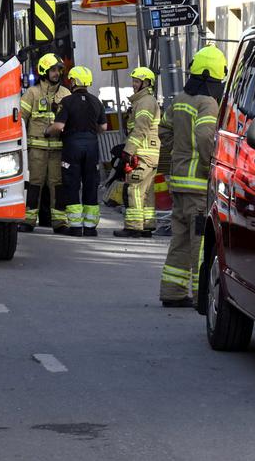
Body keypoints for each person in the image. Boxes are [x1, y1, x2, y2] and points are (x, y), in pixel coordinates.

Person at [159, 45, 226, 308]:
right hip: (199, 186)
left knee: (179, 239)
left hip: (179, 183)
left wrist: (179, 151)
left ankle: (172, 292)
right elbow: (206, 137)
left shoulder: (179, 100)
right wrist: (210, 165)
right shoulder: (207, 103)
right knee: (201, 243)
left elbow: (164, 131)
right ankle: (202, 297)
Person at [47, 66, 107, 237]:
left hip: (72, 147)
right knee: (90, 184)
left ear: (73, 81)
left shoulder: (66, 101)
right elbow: (103, 126)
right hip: (91, 147)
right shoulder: (96, 101)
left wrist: (47, 131)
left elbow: (59, 126)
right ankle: (89, 227)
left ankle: (75, 226)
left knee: (72, 184)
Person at [20, 53, 71, 233]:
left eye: (58, 70)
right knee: (35, 183)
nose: (57, 73)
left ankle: (59, 222)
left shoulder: (66, 94)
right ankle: (28, 220)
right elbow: (20, 121)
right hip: (37, 150)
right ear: (43, 71)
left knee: (57, 185)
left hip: (58, 151)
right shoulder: (32, 93)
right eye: (53, 70)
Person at [114, 67, 161, 239]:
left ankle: (134, 227)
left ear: (146, 83)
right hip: (150, 153)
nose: (134, 85)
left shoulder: (145, 102)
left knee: (134, 188)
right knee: (146, 192)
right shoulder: (145, 101)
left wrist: (128, 151)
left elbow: (140, 129)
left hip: (142, 154)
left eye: (137, 81)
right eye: (133, 81)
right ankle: (147, 225)